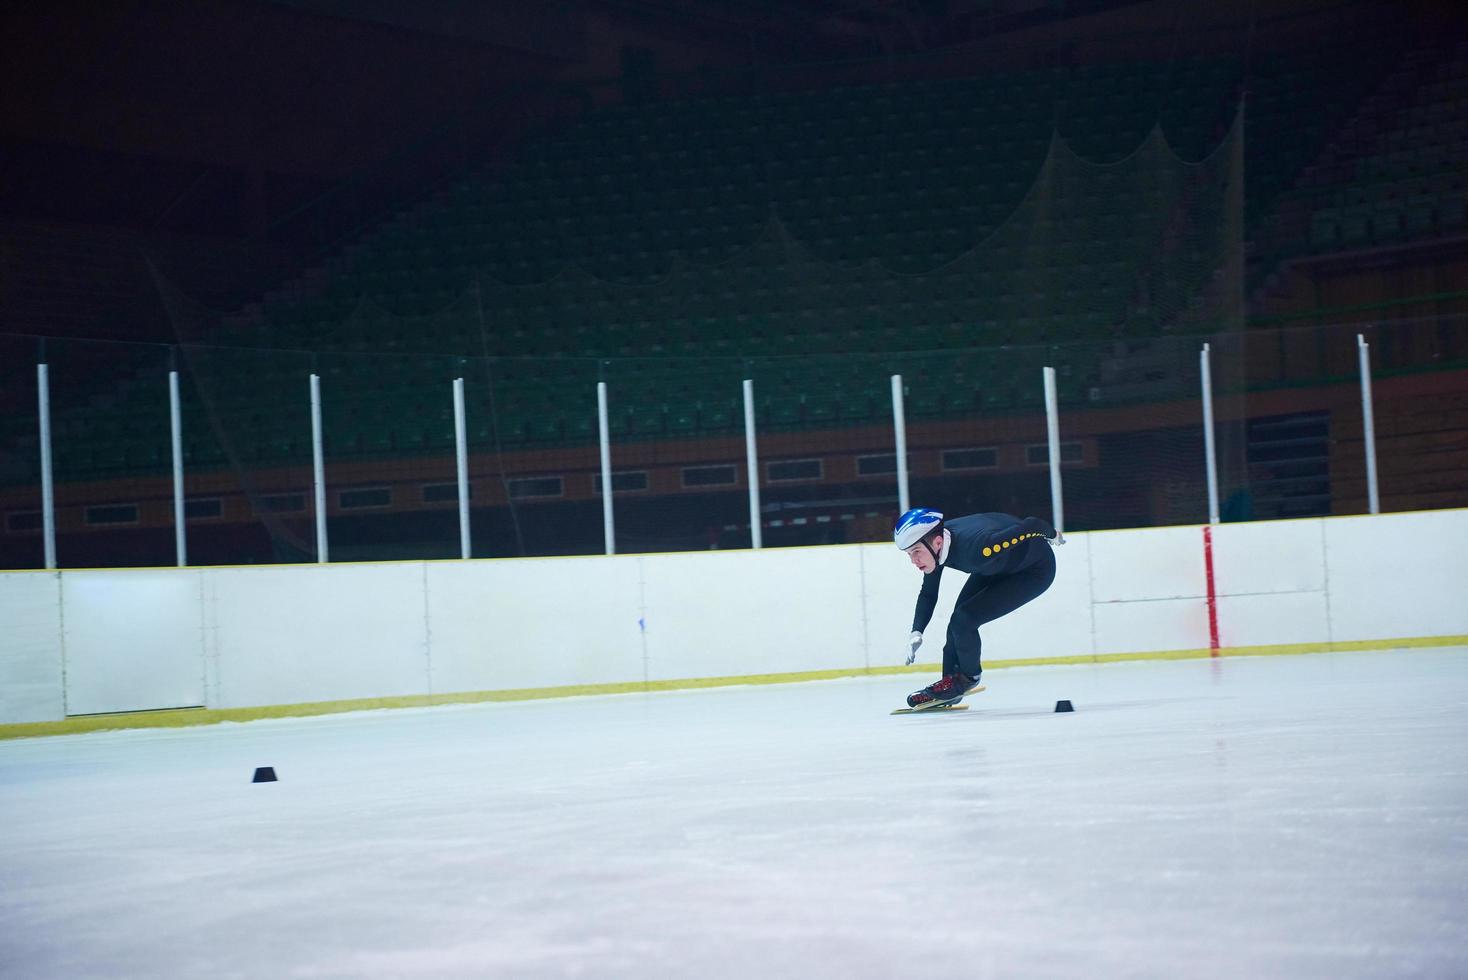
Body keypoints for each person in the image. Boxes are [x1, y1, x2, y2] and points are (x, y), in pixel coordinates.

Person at [895, 507, 1059, 708]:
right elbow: (929, 593)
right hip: (995, 565)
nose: (913, 560)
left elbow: (1032, 524)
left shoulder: (979, 548)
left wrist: (1054, 535)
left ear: (937, 543)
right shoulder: (937, 544)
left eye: (916, 552)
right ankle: (950, 684)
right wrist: (916, 631)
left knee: (964, 620)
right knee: (958, 619)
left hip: (1033, 570)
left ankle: (967, 678)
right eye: (909, 554)